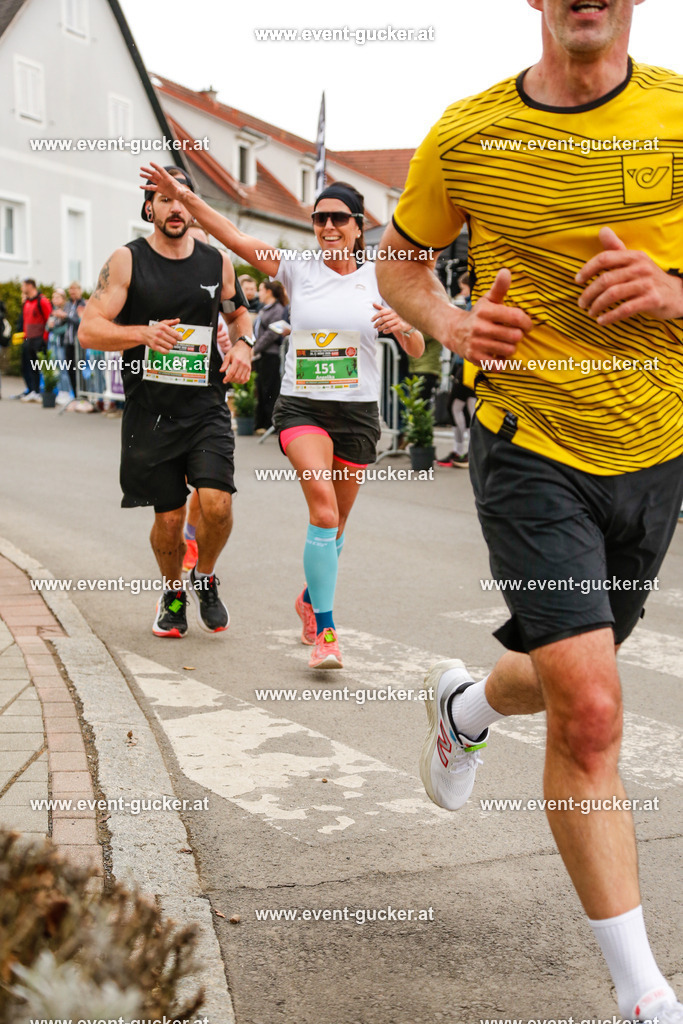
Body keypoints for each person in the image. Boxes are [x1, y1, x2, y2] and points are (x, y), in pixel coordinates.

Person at [376, 1, 683, 1020]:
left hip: (654, 449)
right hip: (527, 447)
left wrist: (674, 290)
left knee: (564, 678)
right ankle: (642, 994)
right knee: (590, 708)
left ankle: (463, 708)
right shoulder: (467, 134)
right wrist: (455, 324)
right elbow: (399, 260)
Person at [140, 164, 423, 668]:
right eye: (319, 220)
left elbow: (418, 346)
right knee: (323, 512)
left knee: (335, 530)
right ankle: (328, 636)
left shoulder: (382, 278)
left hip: (357, 414)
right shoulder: (296, 267)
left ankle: (310, 601)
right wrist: (183, 195)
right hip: (302, 408)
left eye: (339, 218)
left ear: (359, 226)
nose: (328, 228)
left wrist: (403, 327)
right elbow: (232, 234)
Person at [79, 165, 254, 638]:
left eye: (182, 198)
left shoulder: (216, 261)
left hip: (205, 407)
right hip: (149, 409)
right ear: (149, 207)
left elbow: (240, 314)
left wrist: (243, 345)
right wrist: (142, 333)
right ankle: (173, 590)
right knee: (170, 515)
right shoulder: (126, 260)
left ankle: (206, 575)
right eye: (164, 198)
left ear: (192, 207)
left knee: (216, 504)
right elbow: (89, 329)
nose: (175, 208)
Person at [181, 223, 234, 574]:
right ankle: (182, 535)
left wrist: (234, 349)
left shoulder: (218, 303)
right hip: (165, 408)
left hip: (208, 407)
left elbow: (238, 328)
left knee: (207, 485)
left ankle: (191, 540)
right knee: (174, 493)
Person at [253, 279, 288, 433]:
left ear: (268, 291)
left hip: (271, 355)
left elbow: (271, 334)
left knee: (270, 389)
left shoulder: (277, 310)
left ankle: (269, 424)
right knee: (261, 389)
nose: (258, 293)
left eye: (260, 289)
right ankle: (261, 424)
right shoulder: (264, 309)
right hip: (262, 355)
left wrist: (254, 349)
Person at [19, 278, 52, 403]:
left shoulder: (42, 301)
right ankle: (33, 390)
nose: (22, 288)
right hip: (28, 338)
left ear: (30, 286)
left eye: (24, 286)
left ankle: (40, 391)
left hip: (39, 338)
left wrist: (44, 337)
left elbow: (49, 318)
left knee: (39, 366)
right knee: (29, 366)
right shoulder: (26, 302)